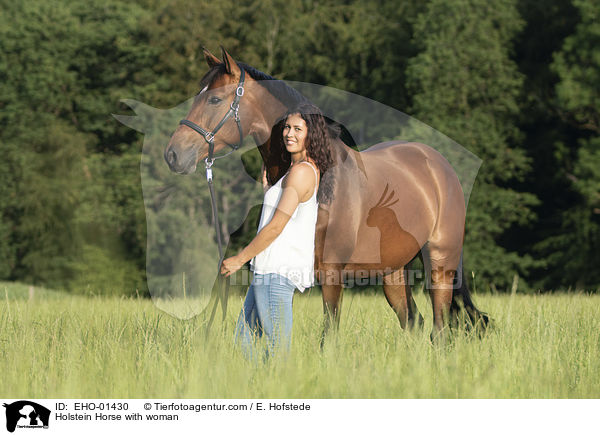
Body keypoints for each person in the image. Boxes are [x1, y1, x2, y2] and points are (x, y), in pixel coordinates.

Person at [220, 102, 333, 359]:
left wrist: (240, 259)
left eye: (297, 129)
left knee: (277, 350)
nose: (289, 134)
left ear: (311, 134)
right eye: (286, 127)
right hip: (267, 271)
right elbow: (281, 217)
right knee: (243, 342)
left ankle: (280, 393)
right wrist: (268, 192)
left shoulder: (301, 173)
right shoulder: (294, 172)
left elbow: (276, 227)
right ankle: (256, 391)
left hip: (276, 273)